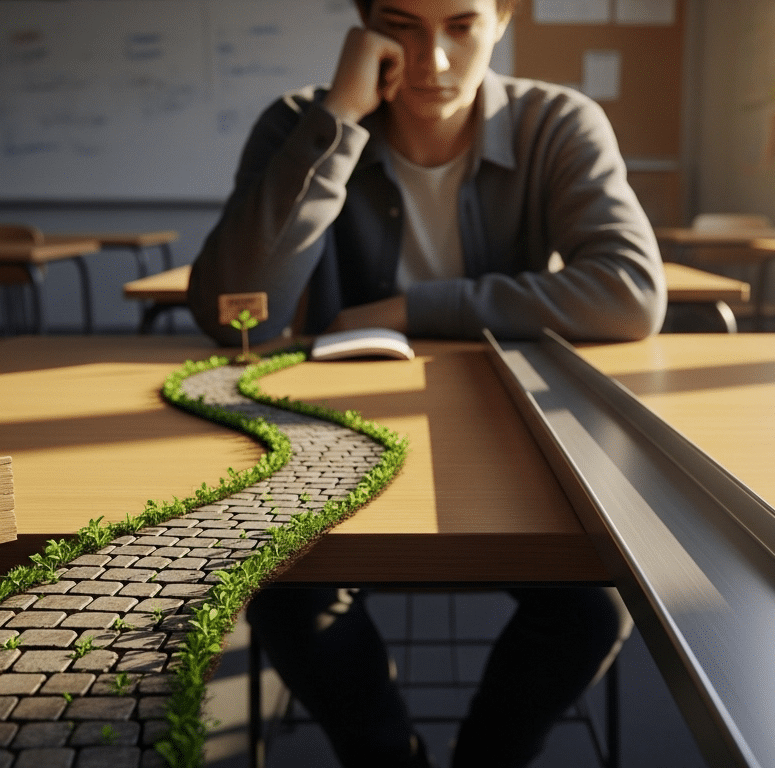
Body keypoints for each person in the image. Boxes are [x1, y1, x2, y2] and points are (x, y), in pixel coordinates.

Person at [187, 0, 664, 764]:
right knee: (287, 594)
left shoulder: (555, 122)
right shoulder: (299, 123)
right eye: (403, 25)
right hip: (333, 440)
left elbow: (629, 293)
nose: (432, 60)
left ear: (502, 19)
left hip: (509, 435)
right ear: (364, 25)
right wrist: (340, 118)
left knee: (595, 607)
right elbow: (234, 311)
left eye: (461, 25)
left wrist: (414, 307)